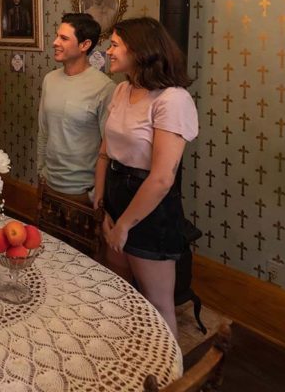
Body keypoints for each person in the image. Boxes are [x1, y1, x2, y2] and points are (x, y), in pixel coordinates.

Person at [94, 17, 198, 337]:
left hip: (148, 208)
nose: (108, 51)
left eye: (114, 45)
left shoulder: (172, 99)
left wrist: (124, 225)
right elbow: (105, 150)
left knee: (157, 302)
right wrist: (100, 196)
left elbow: (162, 178)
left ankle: (169, 381)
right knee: (120, 289)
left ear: (139, 51)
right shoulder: (122, 89)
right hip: (116, 194)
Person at [37, 13, 115, 206]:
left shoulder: (104, 87)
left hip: (82, 192)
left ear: (84, 45)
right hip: (49, 185)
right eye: (57, 36)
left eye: (63, 38)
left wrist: (95, 193)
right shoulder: (50, 79)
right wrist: (41, 172)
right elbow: (44, 131)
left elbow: (109, 147)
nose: (55, 42)